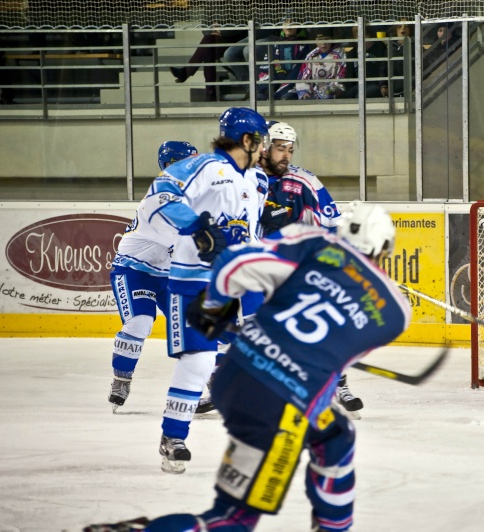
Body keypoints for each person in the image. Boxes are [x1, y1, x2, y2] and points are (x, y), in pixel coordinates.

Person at [85, 202, 412, 532]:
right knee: (234, 519)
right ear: (384, 247)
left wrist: (213, 308)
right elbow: (333, 364)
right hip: (282, 400)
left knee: (337, 435)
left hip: (234, 374)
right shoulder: (396, 311)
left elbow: (233, 263)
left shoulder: (312, 240)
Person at [150, 107, 269, 474]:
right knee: (200, 361)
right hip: (196, 282)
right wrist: (196, 228)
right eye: (260, 141)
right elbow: (160, 195)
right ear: (247, 140)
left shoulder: (256, 180)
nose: (263, 148)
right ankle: (173, 436)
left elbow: (248, 233)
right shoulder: (201, 167)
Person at [258, 122, 363, 414]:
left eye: (290, 150)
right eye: (280, 148)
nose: (286, 156)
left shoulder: (304, 180)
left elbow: (333, 220)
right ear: (264, 146)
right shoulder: (243, 180)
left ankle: (337, 384)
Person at [107, 141, 198, 413]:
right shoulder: (158, 200)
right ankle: (121, 378)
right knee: (140, 322)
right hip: (134, 271)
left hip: (168, 275)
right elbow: (189, 240)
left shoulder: (192, 196)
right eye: (189, 163)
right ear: (171, 166)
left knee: (194, 324)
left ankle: (212, 380)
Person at [170, 27, 247, 102]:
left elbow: (242, 26)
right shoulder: (209, 14)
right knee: (208, 47)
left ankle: (209, 93)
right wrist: (212, 31)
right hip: (218, 38)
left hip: (237, 38)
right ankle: (210, 95)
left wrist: (221, 31)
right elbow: (204, 27)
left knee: (208, 45)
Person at [256, 23, 312, 101]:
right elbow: (266, 68)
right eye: (285, 22)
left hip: (295, 87)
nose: (288, 26)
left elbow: (299, 71)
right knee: (257, 98)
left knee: (286, 98)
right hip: (275, 87)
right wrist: (269, 89)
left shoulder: (305, 46)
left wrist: (282, 89)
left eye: (292, 23)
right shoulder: (274, 44)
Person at [339, 24, 388, 99]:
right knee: (343, 96)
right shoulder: (352, 53)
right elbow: (349, 76)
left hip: (375, 85)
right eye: (357, 37)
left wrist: (383, 85)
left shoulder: (380, 47)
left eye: (364, 37)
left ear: (370, 36)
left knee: (360, 96)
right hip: (358, 86)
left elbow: (384, 69)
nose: (360, 40)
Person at [296, 28, 347, 100]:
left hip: (333, 94)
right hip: (314, 94)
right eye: (320, 39)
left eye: (326, 39)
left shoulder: (339, 54)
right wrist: (305, 93)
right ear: (315, 41)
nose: (323, 43)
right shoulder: (311, 56)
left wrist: (329, 90)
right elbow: (302, 79)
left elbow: (341, 78)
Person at [380, 23, 414, 98]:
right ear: (396, 30)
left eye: (406, 27)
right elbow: (383, 68)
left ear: (410, 30)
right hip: (392, 86)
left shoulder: (415, 47)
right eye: (399, 27)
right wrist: (383, 85)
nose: (402, 28)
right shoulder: (390, 48)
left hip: (409, 85)